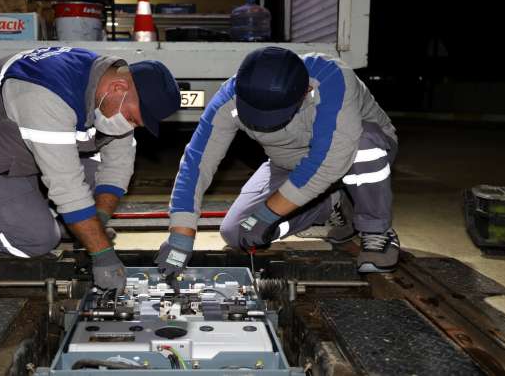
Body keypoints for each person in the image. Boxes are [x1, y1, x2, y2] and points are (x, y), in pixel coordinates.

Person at [0, 47, 181, 292]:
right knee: (36, 239)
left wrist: (99, 221)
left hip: (16, 147)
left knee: (84, 214)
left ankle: (65, 222)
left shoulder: (108, 91)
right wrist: (103, 254)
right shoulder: (48, 95)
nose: (132, 126)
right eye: (133, 117)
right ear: (118, 88)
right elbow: (67, 189)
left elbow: (116, 168)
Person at [156, 46, 399, 276]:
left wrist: (267, 214)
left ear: (305, 92)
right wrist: (181, 236)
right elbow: (196, 164)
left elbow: (330, 161)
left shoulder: (332, 79)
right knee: (235, 233)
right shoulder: (229, 96)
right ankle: (331, 205)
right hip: (289, 165)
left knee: (363, 143)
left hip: (354, 152)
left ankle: (377, 230)